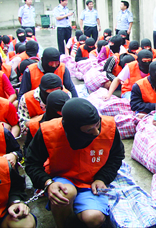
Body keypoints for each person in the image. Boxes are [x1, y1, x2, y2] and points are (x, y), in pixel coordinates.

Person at [25, 98, 124, 228]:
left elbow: (117, 156)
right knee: (63, 194)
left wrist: (103, 178)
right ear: (73, 130)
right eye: (89, 130)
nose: (97, 132)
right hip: (62, 179)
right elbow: (32, 163)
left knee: (94, 218)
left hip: (91, 181)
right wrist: (47, 183)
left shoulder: (109, 127)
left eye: (97, 125)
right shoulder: (49, 132)